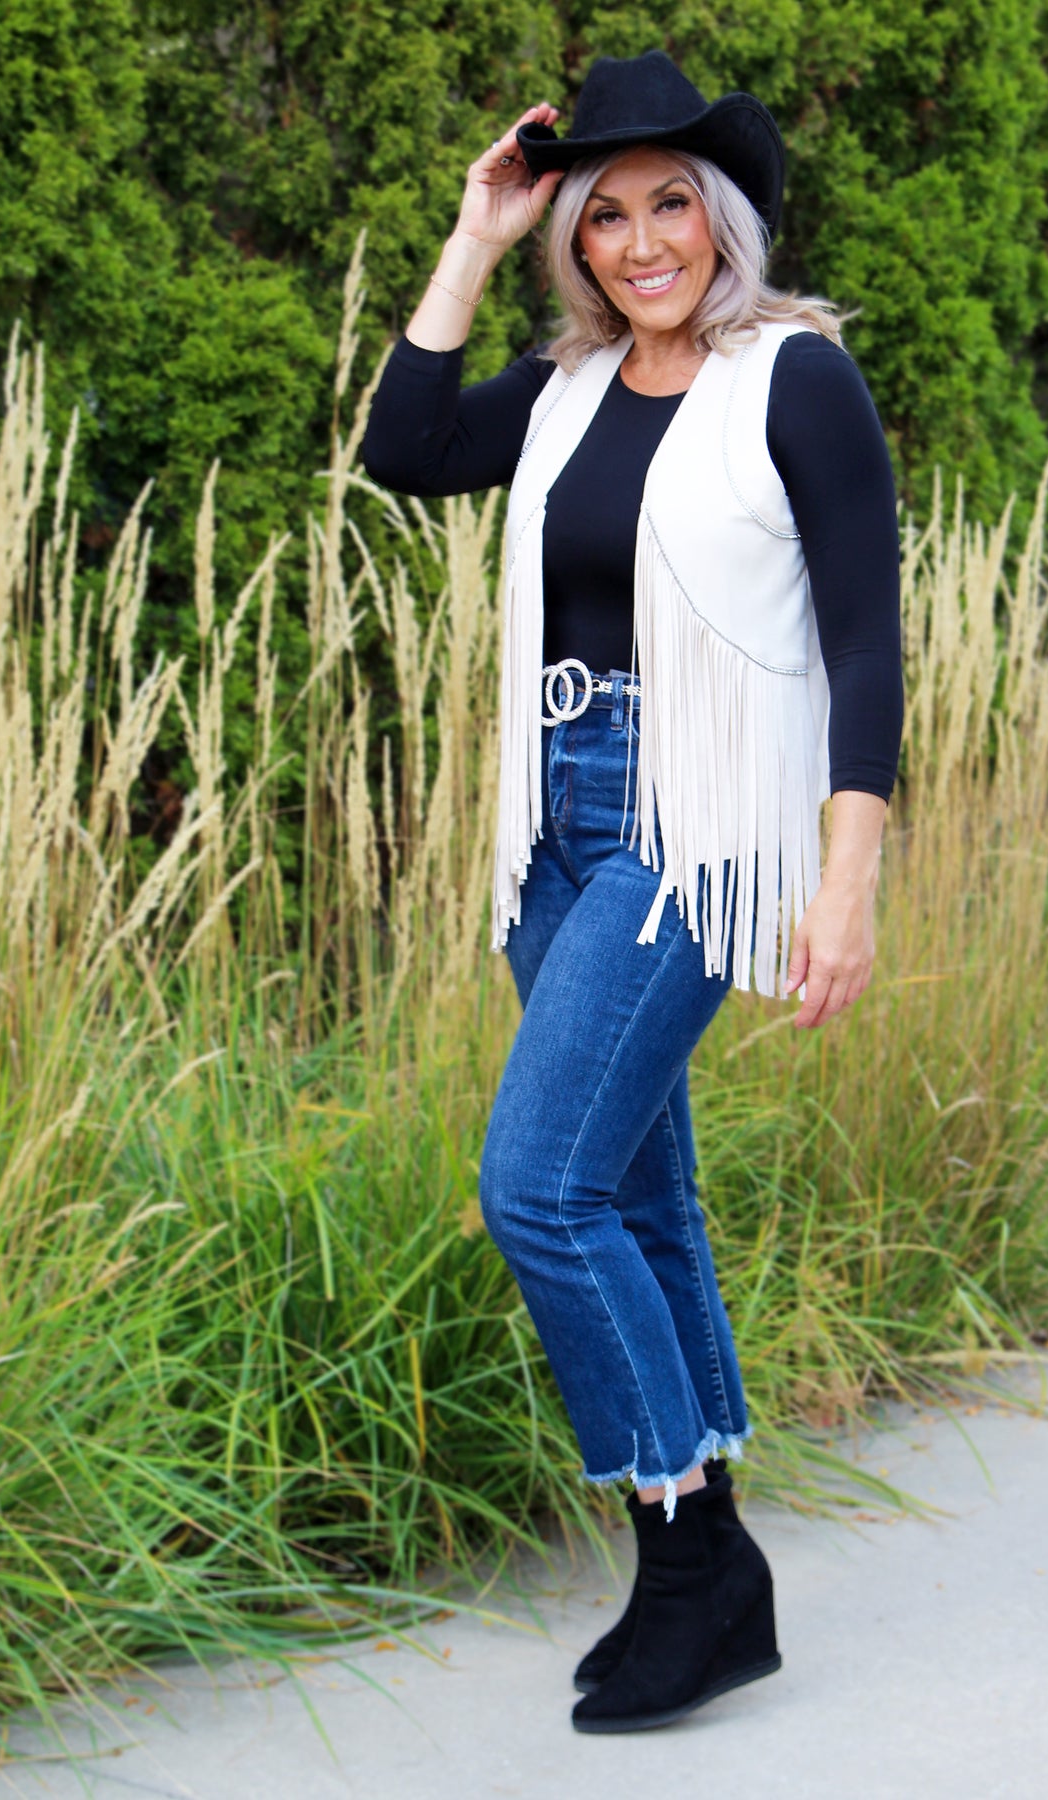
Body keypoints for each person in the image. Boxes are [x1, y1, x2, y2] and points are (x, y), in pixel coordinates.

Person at [362, 49, 903, 1734]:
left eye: (673, 201)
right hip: (561, 822)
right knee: (637, 1195)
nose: (644, 238)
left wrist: (849, 873)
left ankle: (680, 1567)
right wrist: (471, 233)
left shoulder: (792, 378)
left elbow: (866, 631)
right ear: (576, 241)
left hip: (699, 821)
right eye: (607, 215)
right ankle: (716, 1567)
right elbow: (406, 448)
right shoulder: (567, 389)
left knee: (537, 1188)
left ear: (722, 215)